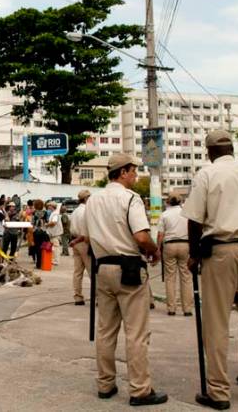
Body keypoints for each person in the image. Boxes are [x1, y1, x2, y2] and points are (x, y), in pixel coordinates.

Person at [182, 130, 238, 409]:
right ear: (231, 149)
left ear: (209, 151)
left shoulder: (206, 175)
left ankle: (219, 393)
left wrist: (195, 255)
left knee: (217, 322)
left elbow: (195, 221)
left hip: (220, 250)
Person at [83, 153, 167, 406]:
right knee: (136, 333)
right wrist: (154, 251)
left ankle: (105, 384)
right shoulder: (130, 199)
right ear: (123, 172)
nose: (136, 175)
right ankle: (140, 390)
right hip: (129, 269)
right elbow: (142, 237)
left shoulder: (93, 201)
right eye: (133, 171)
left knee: (106, 331)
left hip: (103, 269)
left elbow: (88, 237)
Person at [159, 195, 192, 317]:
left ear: (167, 202)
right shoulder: (186, 213)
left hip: (170, 245)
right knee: (186, 277)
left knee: (170, 278)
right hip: (185, 245)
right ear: (180, 202)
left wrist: (157, 249)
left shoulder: (164, 214)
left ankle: (171, 308)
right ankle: (187, 309)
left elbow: (160, 234)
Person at [69, 189, 91, 306]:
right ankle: (97, 296)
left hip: (75, 241)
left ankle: (78, 297)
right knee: (92, 270)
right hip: (83, 242)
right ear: (86, 198)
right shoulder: (86, 211)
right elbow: (85, 232)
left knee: (78, 272)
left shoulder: (75, 211)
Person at [31, 200, 48, 268]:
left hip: (36, 232)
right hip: (43, 231)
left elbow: (32, 222)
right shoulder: (45, 212)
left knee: (37, 248)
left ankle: (38, 264)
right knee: (43, 247)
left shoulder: (34, 212)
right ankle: (43, 262)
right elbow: (46, 221)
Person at [45, 201, 62, 266]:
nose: (48, 207)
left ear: (52, 206)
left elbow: (54, 222)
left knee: (56, 247)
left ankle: (56, 261)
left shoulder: (55, 214)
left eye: (49, 206)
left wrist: (47, 224)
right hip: (53, 233)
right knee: (54, 247)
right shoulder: (54, 213)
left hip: (55, 233)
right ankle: (54, 260)